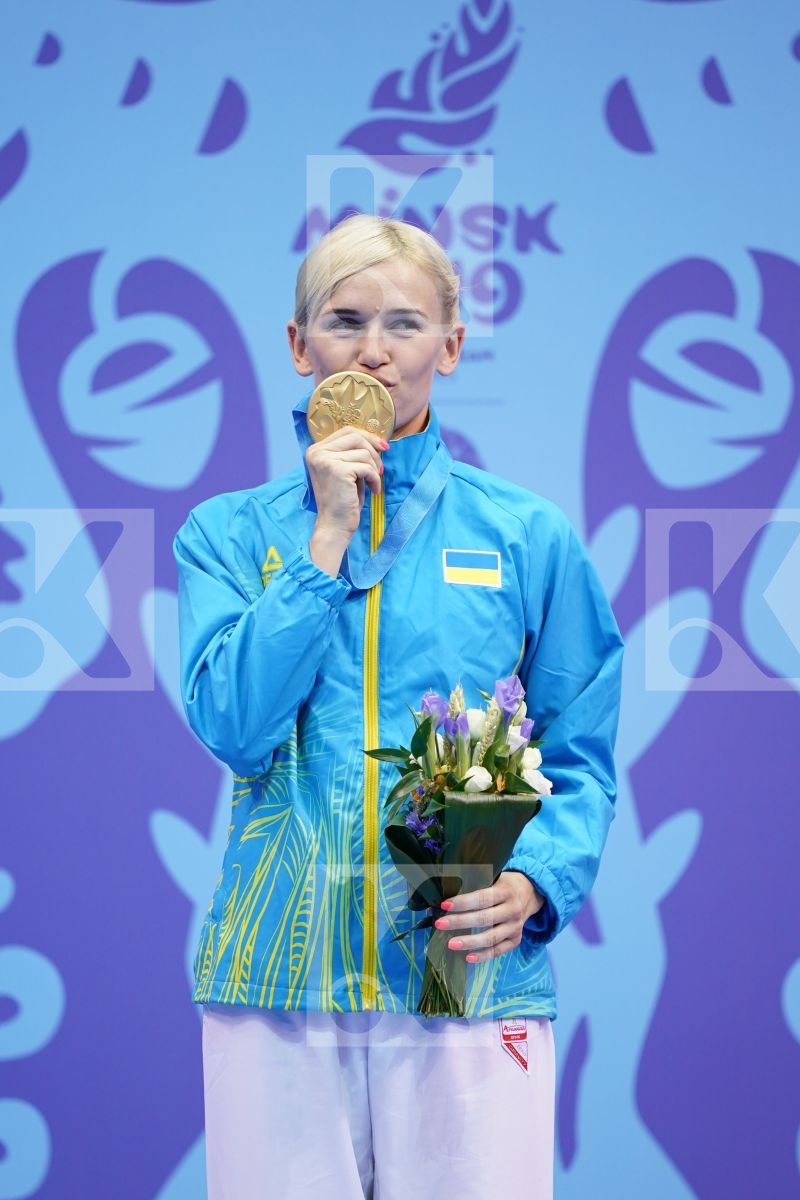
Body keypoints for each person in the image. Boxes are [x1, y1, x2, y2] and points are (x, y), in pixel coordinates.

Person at [174, 213, 623, 1199]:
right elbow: (233, 726)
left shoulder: (525, 537)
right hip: (277, 979)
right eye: (343, 321)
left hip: (459, 969)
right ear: (299, 347)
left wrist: (540, 880)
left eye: (404, 325)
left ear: (449, 348)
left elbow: (580, 758)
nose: (373, 351)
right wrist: (325, 537)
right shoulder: (226, 535)